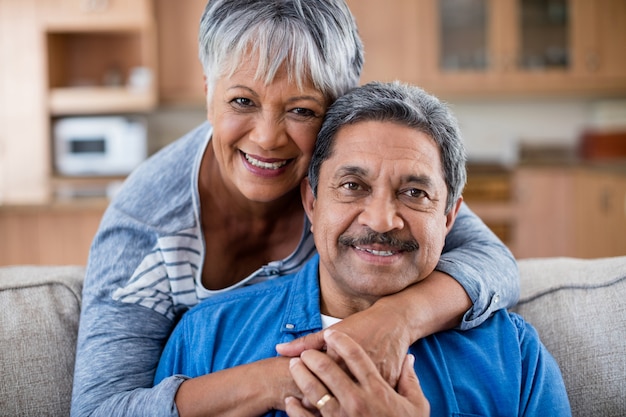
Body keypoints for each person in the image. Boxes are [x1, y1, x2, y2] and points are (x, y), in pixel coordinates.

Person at [71, 1, 520, 416]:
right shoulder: (145, 226)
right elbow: (100, 408)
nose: (267, 137)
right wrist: (300, 375)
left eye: (302, 110)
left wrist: (394, 320)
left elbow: (494, 263)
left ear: (338, 111)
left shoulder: (357, 191)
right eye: (242, 101)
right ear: (209, 92)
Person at [154, 81, 571, 417]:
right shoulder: (205, 337)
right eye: (353, 186)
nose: (381, 219)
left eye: (414, 192)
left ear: (449, 218)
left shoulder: (512, 358)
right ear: (312, 203)